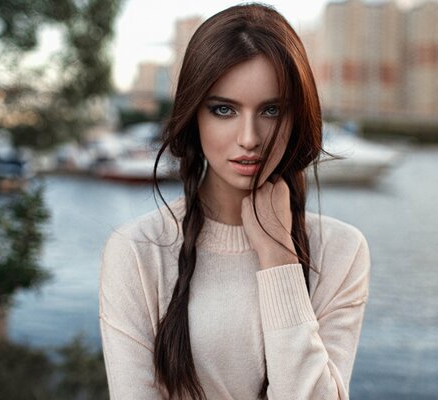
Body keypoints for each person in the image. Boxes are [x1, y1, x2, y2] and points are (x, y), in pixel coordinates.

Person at [98, 3, 371, 399]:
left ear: (297, 117)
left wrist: (279, 257)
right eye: (223, 109)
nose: (249, 137)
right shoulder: (138, 251)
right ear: (194, 116)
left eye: (271, 110)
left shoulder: (342, 252)